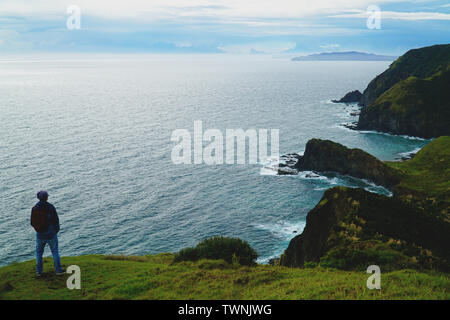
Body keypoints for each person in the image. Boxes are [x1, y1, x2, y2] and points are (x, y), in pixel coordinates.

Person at [30, 191, 64, 276]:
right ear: (46, 197)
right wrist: (56, 230)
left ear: (38, 198)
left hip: (40, 234)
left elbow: (32, 222)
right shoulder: (50, 207)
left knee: (39, 253)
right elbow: (56, 220)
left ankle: (39, 272)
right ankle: (58, 271)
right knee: (55, 251)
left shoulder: (34, 208)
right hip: (51, 233)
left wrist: (38, 230)